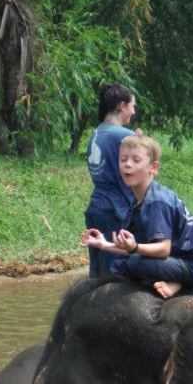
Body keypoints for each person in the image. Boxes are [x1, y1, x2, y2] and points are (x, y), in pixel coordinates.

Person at [80, 134, 193, 299]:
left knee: (135, 263)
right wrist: (104, 244)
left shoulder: (155, 202)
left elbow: (163, 249)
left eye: (136, 160)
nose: (127, 165)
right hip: (174, 261)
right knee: (118, 265)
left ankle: (180, 283)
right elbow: (131, 248)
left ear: (153, 168)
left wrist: (134, 248)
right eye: (123, 159)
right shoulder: (138, 201)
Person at [84, 83, 140, 278]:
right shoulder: (124, 136)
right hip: (116, 211)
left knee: (96, 274)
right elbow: (139, 175)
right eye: (132, 106)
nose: (133, 112)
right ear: (122, 106)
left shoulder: (96, 133)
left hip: (96, 208)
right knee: (114, 276)